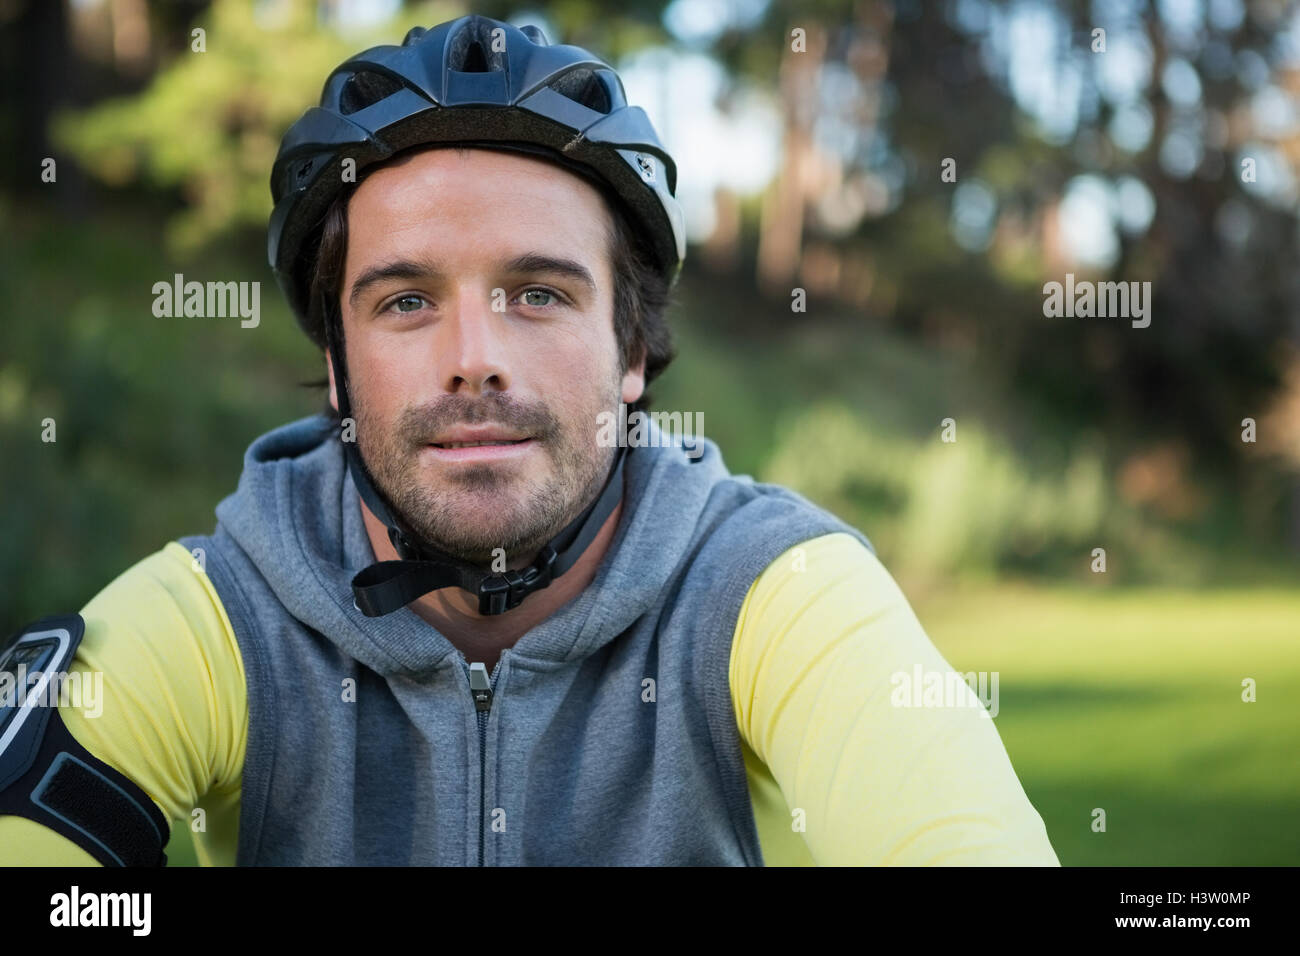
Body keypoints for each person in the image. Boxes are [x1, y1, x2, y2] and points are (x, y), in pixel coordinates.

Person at [0, 14, 1059, 866]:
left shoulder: (772, 594)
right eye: (406, 301)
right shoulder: (216, 620)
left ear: (631, 347)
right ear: (336, 364)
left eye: (539, 292)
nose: (473, 358)